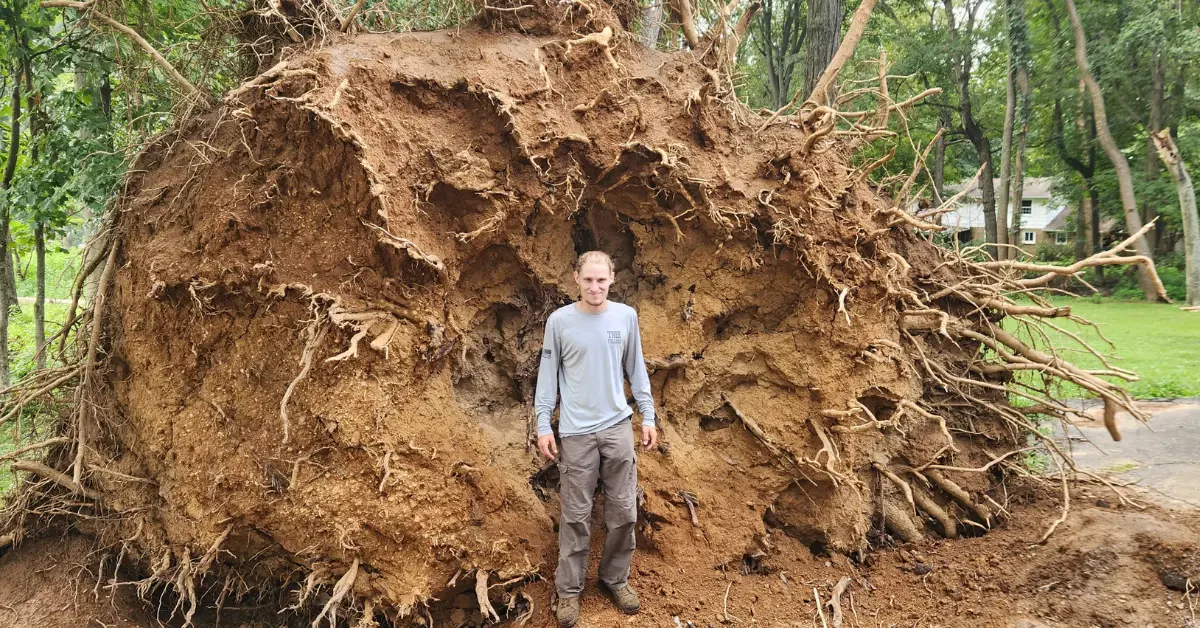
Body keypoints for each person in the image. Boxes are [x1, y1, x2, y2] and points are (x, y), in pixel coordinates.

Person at [534, 250, 658, 628]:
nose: (595, 287)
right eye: (588, 279)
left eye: (601, 280)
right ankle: (569, 591)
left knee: (623, 512)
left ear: (611, 279)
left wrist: (648, 416)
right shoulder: (560, 322)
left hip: (618, 427)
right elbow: (548, 376)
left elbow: (637, 370)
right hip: (575, 432)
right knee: (575, 516)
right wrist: (543, 423)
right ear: (576, 279)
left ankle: (614, 579)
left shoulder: (625, 317)